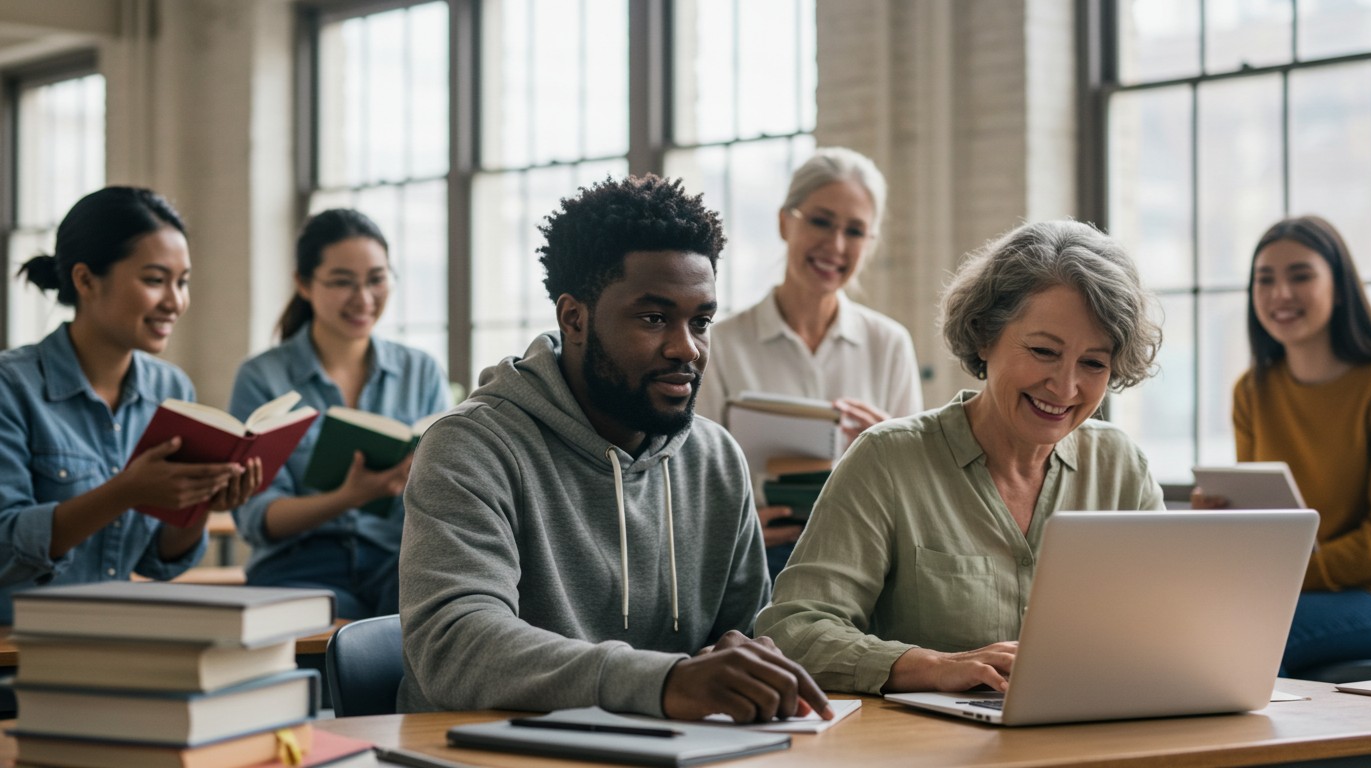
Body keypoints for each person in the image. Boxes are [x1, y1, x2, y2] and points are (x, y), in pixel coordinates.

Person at [398, 175, 830, 722]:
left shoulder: (716, 459)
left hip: (671, 752)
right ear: (573, 318)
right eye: (654, 319)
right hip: (490, 754)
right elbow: (453, 648)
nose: (686, 348)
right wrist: (663, 681)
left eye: (701, 322)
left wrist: (755, 663)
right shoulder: (472, 447)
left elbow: (741, 637)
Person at [754, 220, 1164, 694]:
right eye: (1044, 351)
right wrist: (931, 667)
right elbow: (791, 631)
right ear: (984, 336)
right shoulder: (887, 460)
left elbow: (1166, 626)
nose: (1066, 387)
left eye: (1093, 363)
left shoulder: (1121, 468)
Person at [0, 186, 261, 623]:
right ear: (85, 280)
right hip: (18, 649)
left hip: (117, 636)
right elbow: (6, 547)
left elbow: (159, 561)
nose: (175, 302)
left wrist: (198, 504)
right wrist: (127, 491)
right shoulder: (12, 386)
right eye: (155, 280)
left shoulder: (170, 388)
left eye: (182, 282)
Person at [1195, 215, 1371, 674]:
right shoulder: (1252, 391)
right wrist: (1221, 522)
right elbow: (1264, 521)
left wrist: (1281, 577)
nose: (1280, 294)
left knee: (1248, 639)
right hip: (1293, 589)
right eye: (1264, 280)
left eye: (1301, 276)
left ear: (1342, 286)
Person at [695, 147, 923, 569]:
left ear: (869, 244)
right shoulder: (721, 343)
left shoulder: (888, 343)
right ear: (785, 222)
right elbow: (696, 478)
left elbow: (917, 490)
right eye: (820, 221)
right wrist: (734, 530)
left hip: (863, 555)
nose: (835, 245)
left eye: (854, 231)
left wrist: (893, 447)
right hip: (756, 555)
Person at [228, 209, 450, 620]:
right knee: (353, 649)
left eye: (377, 279)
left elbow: (449, 493)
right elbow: (257, 517)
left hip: (397, 564)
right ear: (304, 284)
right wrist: (351, 496)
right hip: (299, 567)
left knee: (449, 620)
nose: (364, 299)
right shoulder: (263, 377)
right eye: (342, 282)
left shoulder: (421, 371)